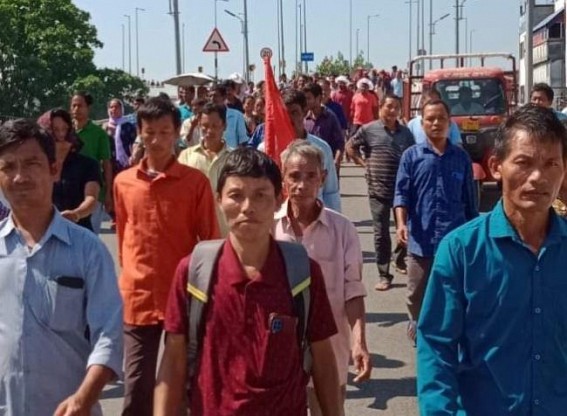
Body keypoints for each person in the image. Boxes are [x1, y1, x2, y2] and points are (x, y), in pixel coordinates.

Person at [154, 147, 341, 416]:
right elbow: (173, 360)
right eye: (235, 195)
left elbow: (323, 358)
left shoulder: (302, 273)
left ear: (279, 200)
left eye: (260, 195)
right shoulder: (194, 272)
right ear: (219, 199)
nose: (247, 207)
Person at [417, 104, 567, 415]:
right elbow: (436, 345)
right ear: (496, 166)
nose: (538, 178)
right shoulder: (461, 250)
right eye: (524, 163)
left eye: (551, 163)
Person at [0, 119, 123, 416]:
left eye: (31, 164)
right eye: (8, 167)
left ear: (54, 170)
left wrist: (83, 399)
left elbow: (109, 335)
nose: (20, 177)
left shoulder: (88, 251)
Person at [113, 97, 220, 416]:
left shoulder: (194, 183)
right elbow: (123, 240)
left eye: (164, 132)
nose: (156, 140)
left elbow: (210, 244)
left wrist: (210, 297)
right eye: (149, 132)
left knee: (188, 386)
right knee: (137, 388)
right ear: (140, 134)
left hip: (185, 298)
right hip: (138, 298)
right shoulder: (123, 183)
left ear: (177, 133)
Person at [274, 141, 371, 415]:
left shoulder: (343, 230)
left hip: (330, 346)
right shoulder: (269, 229)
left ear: (323, 178)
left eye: (310, 176)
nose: (302, 184)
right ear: (283, 178)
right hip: (279, 349)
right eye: (294, 176)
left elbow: (353, 290)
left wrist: (359, 341)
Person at [394, 99, 478, 343]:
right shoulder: (411, 157)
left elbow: (470, 201)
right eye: (430, 119)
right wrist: (401, 224)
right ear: (422, 123)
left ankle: (451, 332)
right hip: (421, 240)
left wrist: (474, 237)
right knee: (416, 292)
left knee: (455, 289)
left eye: (441, 118)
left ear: (449, 122)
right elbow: (401, 194)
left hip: (455, 240)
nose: (436, 123)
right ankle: (417, 323)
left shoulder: (461, 158)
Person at [347, 93, 415, 290]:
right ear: (380, 108)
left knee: (406, 228)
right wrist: (363, 164)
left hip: (402, 190)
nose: (392, 111)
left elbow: (412, 157)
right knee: (381, 232)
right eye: (389, 106)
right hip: (377, 189)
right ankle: (384, 274)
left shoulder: (406, 133)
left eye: (396, 107)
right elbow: (350, 146)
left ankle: (399, 256)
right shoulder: (369, 129)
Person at [38, 108, 101, 231]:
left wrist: (76, 214)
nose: (61, 135)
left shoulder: (88, 164)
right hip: (44, 233)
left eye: (65, 129)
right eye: (55, 130)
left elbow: (91, 198)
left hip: (79, 231)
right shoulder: (37, 166)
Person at [178, 102, 231, 236]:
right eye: (205, 126)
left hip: (225, 232)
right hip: (194, 234)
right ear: (199, 126)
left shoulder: (235, 159)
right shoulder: (186, 156)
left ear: (224, 126)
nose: (209, 131)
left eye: (215, 126)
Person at [71, 91, 113, 234]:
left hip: (94, 191)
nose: (76, 109)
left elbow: (106, 164)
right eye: (73, 106)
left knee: (90, 238)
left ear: (88, 108)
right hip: (69, 190)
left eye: (80, 106)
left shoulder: (99, 133)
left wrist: (108, 193)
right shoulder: (65, 131)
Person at [303, 83, 345, 174]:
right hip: (310, 168)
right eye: (305, 99)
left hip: (328, 167)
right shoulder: (304, 119)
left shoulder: (330, 117)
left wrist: (336, 161)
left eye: (309, 98)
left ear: (318, 98)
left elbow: (340, 142)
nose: (306, 102)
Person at [104, 98, 137, 175]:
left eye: (116, 107)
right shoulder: (105, 127)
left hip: (126, 161)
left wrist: (133, 157)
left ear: (122, 109)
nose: (114, 109)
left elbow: (134, 144)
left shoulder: (128, 126)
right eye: (111, 107)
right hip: (109, 162)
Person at [210, 84, 248, 148]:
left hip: (231, 155)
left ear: (224, 97)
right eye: (210, 96)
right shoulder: (206, 116)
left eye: (215, 95)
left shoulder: (237, 115)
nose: (212, 99)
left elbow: (243, 141)